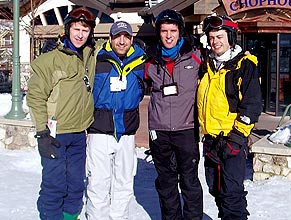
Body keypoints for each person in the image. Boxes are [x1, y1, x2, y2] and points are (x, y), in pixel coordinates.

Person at [26, 7, 98, 220]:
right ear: (67, 29)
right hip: (54, 134)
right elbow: (35, 97)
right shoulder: (50, 60)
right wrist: (41, 132)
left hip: (79, 134)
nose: (80, 34)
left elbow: (117, 45)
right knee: (54, 185)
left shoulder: (90, 54)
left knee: (76, 185)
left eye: (85, 30)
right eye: (76, 29)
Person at [197, 15, 263, 219]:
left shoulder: (244, 65)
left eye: (220, 36)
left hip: (231, 139)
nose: (215, 41)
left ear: (230, 38)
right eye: (212, 37)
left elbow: (252, 104)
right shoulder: (207, 64)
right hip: (211, 140)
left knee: (231, 193)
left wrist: (238, 135)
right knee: (216, 190)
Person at [144, 9, 203, 220]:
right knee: (167, 184)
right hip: (159, 132)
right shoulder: (149, 61)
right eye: (164, 31)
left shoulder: (196, 57)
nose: (169, 35)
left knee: (190, 182)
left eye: (173, 30)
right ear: (158, 33)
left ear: (180, 32)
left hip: (186, 130)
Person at [85, 21, 147, 219]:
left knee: (124, 184)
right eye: (117, 36)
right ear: (110, 39)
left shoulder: (141, 60)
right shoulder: (97, 58)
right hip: (99, 130)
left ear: (131, 39)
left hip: (127, 132)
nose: (122, 41)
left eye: (126, 37)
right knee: (98, 183)